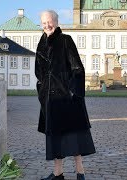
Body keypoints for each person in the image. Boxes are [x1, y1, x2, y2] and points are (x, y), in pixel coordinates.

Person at [35, 10, 96, 180]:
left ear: (56, 21)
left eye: (50, 21)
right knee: (55, 137)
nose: (47, 25)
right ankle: (58, 173)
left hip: (67, 97)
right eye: (44, 23)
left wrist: (73, 92)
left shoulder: (65, 40)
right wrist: (41, 90)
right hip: (49, 99)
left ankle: (80, 172)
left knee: (74, 135)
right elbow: (38, 72)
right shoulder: (41, 43)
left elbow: (78, 68)